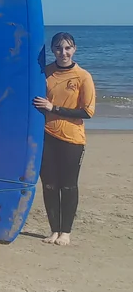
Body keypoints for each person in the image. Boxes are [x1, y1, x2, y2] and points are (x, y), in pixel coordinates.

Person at [34, 32, 96, 246]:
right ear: (52, 50)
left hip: (72, 139)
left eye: (68, 48)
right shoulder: (45, 73)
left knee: (68, 186)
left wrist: (55, 108)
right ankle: (54, 231)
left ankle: (66, 232)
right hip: (46, 137)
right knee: (49, 185)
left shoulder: (82, 76)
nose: (63, 53)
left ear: (74, 49)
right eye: (59, 48)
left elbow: (87, 112)